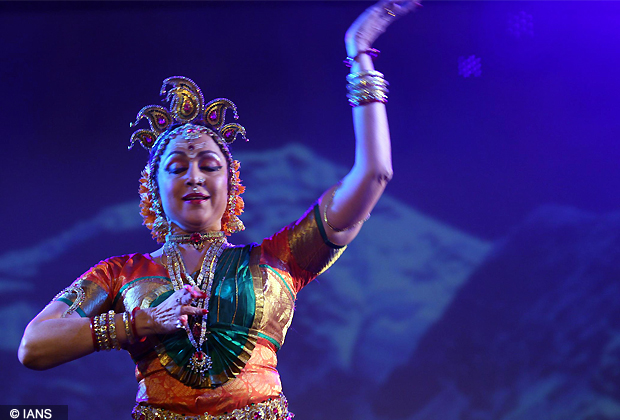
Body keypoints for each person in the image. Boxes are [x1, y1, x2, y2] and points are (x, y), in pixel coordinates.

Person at [18, 1, 421, 419]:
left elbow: (374, 172)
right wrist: (135, 325)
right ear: (153, 190)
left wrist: (359, 56)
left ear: (231, 186)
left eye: (209, 166)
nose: (194, 177)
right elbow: (34, 345)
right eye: (177, 168)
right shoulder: (120, 274)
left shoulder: (278, 259)